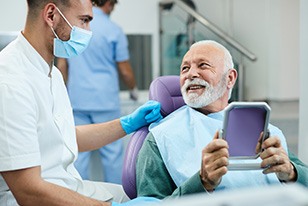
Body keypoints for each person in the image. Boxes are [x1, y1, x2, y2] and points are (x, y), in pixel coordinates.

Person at [0, 0, 162, 205]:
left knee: (145, 193)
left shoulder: (52, 73)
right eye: (84, 21)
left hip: (66, 185)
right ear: (51, 15)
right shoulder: (9, 82)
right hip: (35, 199)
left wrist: (127, 124)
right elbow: (28, 191)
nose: (88, 31)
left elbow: (65, 137)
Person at [136, 40, 308, 199]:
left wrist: (291, 173)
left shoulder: (264, 129)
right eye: (185, 68)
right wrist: (202, 182)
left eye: (203, 65)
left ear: (230, 78)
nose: (191, 74)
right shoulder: (160, 138)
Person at [57, 0, 138, 184]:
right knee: (113, 155)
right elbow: (125, 70)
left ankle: (78, 197)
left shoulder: (74, 28)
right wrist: (133, 89)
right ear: (109, 3)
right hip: (105, 101)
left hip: (77, 99)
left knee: (77, 152)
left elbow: (62, 66)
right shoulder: (113, 29)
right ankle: (118, 198)